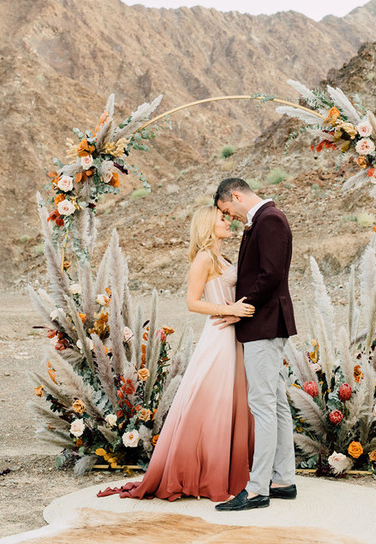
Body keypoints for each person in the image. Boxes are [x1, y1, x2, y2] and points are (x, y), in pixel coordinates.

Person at [97, 205, 254, 502]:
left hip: (235, 335)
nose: (228, 222)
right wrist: (228, 309)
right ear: (208, 225)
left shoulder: (222, 257)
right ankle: (207, 473)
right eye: (223, 219)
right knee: (214, 402)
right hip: (219, 336)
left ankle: (229, 470)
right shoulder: (204, 258)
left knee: (231, 401)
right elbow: (192, 302)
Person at [213, 177, 297, 511]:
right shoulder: (262, 220)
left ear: (235, 195)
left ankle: (258, 488)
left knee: (262, 405)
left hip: (264, 323)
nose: (229, 217)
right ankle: (283, 479)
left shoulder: (270, 219)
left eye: (227, 210)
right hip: (265, 324)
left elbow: (271, 275)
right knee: (276, 404)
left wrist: (240, 308)